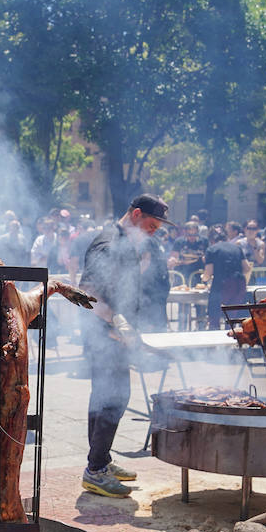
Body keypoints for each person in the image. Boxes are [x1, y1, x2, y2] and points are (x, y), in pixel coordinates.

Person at [77, 193, 174, 498]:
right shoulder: (107, 245)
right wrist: (118, 325)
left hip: (113, 334)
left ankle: (101, 461)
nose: (153, 231)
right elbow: (88, 294)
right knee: (113, 397)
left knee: (107, 397)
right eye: (151, 224)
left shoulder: (128, 245)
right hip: (103, 335)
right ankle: (95, 471)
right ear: (135, 214)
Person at [203, 235, 251, 329]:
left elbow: (208, 272)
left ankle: (215, 337)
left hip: (222, 284)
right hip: (239, 284)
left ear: (212, 240)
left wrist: (204, 279)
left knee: (214, 314)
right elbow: (247, 268)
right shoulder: (237, 248)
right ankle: (232, 336)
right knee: (232, 314)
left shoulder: (211, 249)